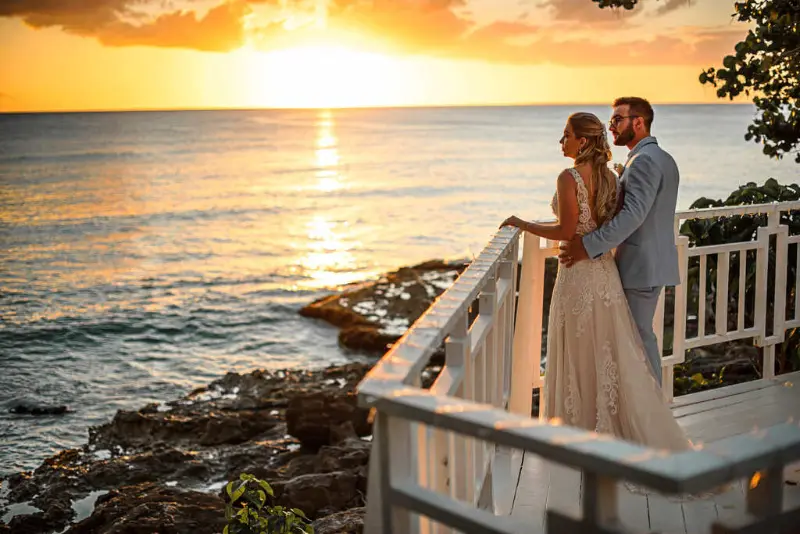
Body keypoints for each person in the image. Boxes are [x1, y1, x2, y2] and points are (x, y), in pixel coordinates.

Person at [500, 106, 688, 451]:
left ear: (582, 140)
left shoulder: (569, 177)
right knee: (612, 347)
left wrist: (522, 223)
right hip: (607, 273)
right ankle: (622, 420)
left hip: (582, 270)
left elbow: (568, 229)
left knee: (588, 347)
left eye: (566, 135)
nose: (561, 141)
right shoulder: (612, 176)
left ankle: (597, 424)